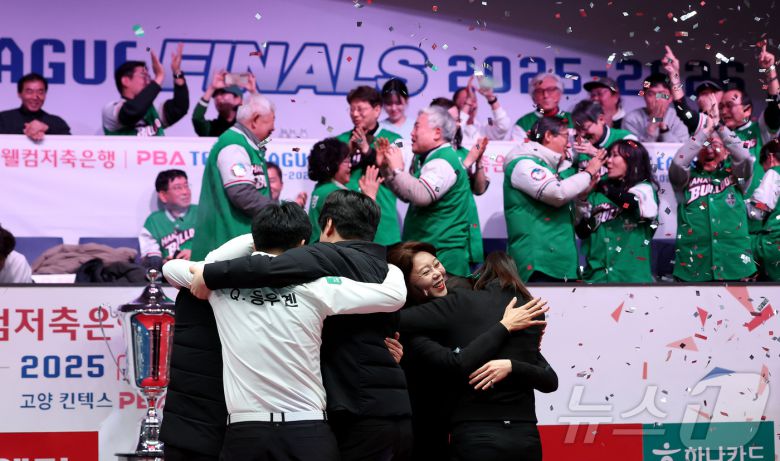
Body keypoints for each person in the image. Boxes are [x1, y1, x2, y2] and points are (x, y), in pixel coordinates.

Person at [163, 202, 407, 461]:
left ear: (255, 240)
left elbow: (171, 269)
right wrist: (390, 266)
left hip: (246, 433)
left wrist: (241, 248)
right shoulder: (318, 287)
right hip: (308, 432)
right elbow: (394, 296)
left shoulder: (220, 285)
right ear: (302, 244)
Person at [391, 245, 556, 461]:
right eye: (425, 272)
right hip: (424, 430)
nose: (437, 273)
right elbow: (457, 362)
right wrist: (504, 326)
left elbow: (549, 378)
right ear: (407, 284)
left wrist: (512, 363)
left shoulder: (462, 299)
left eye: (437, 264)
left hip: (475, 430)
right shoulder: (414, 330)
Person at [664, 44, 780, 199]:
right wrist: (674, 75)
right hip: (729, 207)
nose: (724, 112)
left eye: (730, 106)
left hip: (761, 209)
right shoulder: (714, 128)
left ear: (747, 109)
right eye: (721, 107)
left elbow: (774, 105)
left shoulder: (760, 129)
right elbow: (684, 111)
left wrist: (770, 70)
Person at [503, 116, 606, 282]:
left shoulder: (550, 170)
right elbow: (557, 195)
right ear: (549, 136)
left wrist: (582, 196)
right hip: (538, 266)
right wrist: (588, 172)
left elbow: (570, 219)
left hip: (563, 266)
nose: (569, 144)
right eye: (565, 136)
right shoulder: (523, 165)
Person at [378, 106, 473, 276]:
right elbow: (408, 195)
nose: (411, 133)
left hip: (442, 260)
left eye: (416, 127)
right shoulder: (431, 158)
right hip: (430, 257)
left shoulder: (444, 161)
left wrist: (398, 169)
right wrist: (386, 169)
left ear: (437, 133)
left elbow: (422, 196)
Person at [669, 112, 757, 281]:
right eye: (704, 145)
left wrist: (720, 127)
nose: (709, 149)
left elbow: (745, 157)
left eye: (715, 145)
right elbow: (679, 162)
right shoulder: (684, 180)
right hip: (693, 268)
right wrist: (705, 132)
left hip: (735, 266)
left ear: (727, 152)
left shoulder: (737, 178)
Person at [190, 94, 276, 261]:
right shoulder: (233, 145)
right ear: (255, 120)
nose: (271, 133)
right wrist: (279, 212)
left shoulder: (246, 145)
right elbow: (242, 194)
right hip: (228, 245)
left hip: (237, 246)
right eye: (270, 128)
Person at [575, 140, 659, 282]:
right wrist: (582, 198)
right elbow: (582, 232)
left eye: (615, 156)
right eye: (609, 156)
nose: (609, 161)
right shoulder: (597, 195)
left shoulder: (645, 189)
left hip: (631, 279)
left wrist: (601, 185)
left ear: (632, 161)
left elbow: (631, 203)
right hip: (597, 277)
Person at [336, 85, 404, 246]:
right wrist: (347, 152)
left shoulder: (395, 139)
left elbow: (396, 171)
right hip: (348, 220)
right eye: (352, 109)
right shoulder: (341, 140)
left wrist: (367, 150)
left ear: (377, 110)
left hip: (383, 223)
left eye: (360, 109)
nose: (355, 114)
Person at [430, 97, 489, 266]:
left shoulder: (463, 152)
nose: (457, 124)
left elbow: (479, 189)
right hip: (444, 240)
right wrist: (468, 162)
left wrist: (478, 162)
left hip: (469, 236)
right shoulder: (430, 156)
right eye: (452, 119)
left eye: (458, 120)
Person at [307, 138, 382, 242]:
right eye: (346, 161)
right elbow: (360, 226)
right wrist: (370, 197)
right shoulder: (332, 193)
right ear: (333, 164)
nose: (350, 165)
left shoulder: (320, 188)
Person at [103, 45, 189, 136]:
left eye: (149, 77)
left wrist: (177, 72)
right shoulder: (110, 110)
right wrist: (159, 76)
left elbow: (180, 108)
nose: (149, 81)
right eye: (144, 76)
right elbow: (131, 112)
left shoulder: (152, 112)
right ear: (126, 81)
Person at [139, 169, 198, 271]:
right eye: (178, 188)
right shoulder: (154, 221)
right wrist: (163, 263)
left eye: (186, 186)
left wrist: (197, 253)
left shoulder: (202, 213)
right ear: (163, 195)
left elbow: (218, 245)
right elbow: (150, 256)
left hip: (200, 271)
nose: (185, 192)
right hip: (169, 275)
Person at [0, 73, 70, 141]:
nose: (35, 97)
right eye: (29, 92)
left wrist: (47, 129)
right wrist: (29, 131)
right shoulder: (3, 119)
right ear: (19, 94)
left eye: (40, 92)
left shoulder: (57, 122)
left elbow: (71, 143)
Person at [622, 73, 689, 143]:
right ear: (644, 97)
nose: (657, 99)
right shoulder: (631, 119)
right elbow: (630, 147)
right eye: (651, 94)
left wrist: (664, 130)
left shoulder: (679, 116)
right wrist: (651, 128)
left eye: (662, 94)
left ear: (670, 98)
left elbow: (682, 146)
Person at [571, 99, 637, 170]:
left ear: (601, 119)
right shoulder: (575, 143)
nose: (582, 134)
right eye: (578, 129)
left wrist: (595, 153)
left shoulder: (627, 138)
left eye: (585, 128)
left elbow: (634, 165)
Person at [747, 139, 780, 280]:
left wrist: (741, 205)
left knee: (734, 246)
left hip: (774, 243)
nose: (765, 170)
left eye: (763, 164)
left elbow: (760, 210)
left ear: (770, 158)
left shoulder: (774, 172)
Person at [192, 69, 257, 137]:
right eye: (216, 95)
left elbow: (262, 124)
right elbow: (197, 119)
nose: (218, 97)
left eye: (223, 93)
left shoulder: (247, 127)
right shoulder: (211, 128)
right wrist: (212, 88)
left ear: (237, 99)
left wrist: (253, 91)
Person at [453, 75, 511, 147]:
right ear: (455, 107)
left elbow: (504, 126)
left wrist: (491, 98)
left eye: (474, 100)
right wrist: (468, 104)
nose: (472, 105)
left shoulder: (483, 128)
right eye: (466, 102)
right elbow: (455, 134)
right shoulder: (450, 129)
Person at [512, 73, 572, 142]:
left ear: (560, 93)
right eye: (539, 91)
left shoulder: (573, 120)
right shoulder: (524, 123)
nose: (545, 95)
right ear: (533, 97)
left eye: (550, 90)